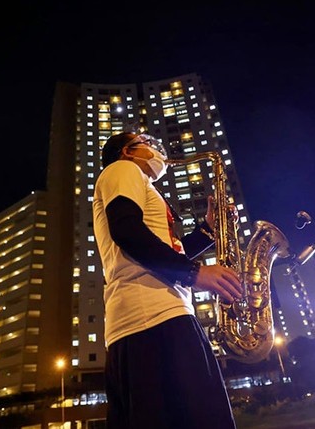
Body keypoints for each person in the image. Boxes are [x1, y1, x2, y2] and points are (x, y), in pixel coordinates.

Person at [92, 131, 242, 428]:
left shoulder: (138, 181)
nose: (154, 148)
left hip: (151, 318)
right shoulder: (123, 169)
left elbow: (163, 246)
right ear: (127, 150)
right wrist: (195, 274)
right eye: (144, 141)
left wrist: (208, 231)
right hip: (153, 318)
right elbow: (127, 232)